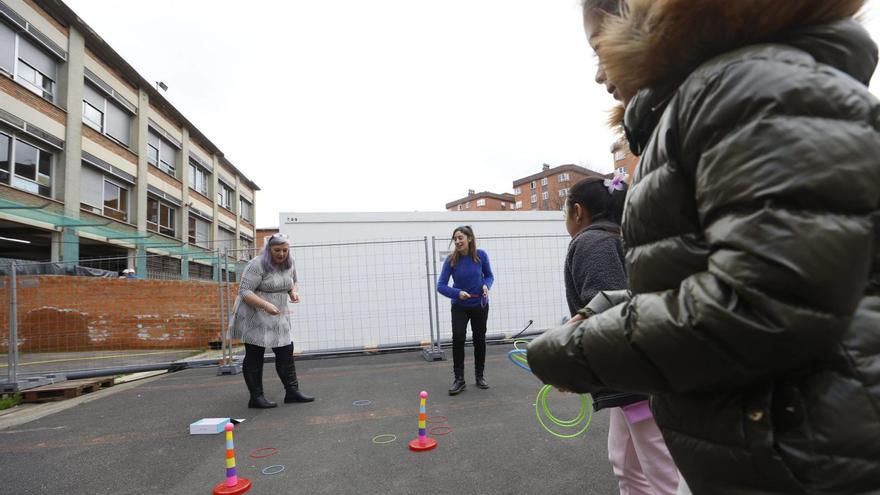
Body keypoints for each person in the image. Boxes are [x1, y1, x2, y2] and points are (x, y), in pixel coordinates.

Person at [528, 0, 880, 493]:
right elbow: (733, 277)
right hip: (779, 447)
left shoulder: (754, 88)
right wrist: (606, 309)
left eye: (596, 48)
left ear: (646, 15)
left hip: (809, 459)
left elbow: (767, 305)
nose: (597, 75)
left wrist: (574, 353)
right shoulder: (715, 100)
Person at [563, 176, 678, 495]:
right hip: (633, 377)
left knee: (660, 470)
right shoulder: (623, 238)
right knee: (625, 462)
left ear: (578, 211)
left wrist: (570, 366)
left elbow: (608, 308)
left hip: (636, 378)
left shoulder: (592, 242)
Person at [229, 232, 314, 408]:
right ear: (269, 249)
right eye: (277, 250)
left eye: (285, 250)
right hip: (254, 312)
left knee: (285, 350)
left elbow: (294, 282)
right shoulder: (257, 264)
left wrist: (293, 292)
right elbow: (244, 291)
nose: (281, 254)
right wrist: (265, 305)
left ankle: (292, 392)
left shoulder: (289, 263)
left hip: (278, 313)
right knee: (255, 354)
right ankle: (256, 397)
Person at [436, 225, 494, 395]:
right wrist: (457, 293)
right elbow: (440, 286)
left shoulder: (481, 255)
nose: (458, 241)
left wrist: (486, 285)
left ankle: (479, 376)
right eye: (455, 239)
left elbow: (489, 276)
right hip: (459, 306)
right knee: (458, 338)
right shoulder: (451, 260)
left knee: (479, 339)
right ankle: (459, 379)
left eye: (460, 237)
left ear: (469, 238)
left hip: (480, 305)